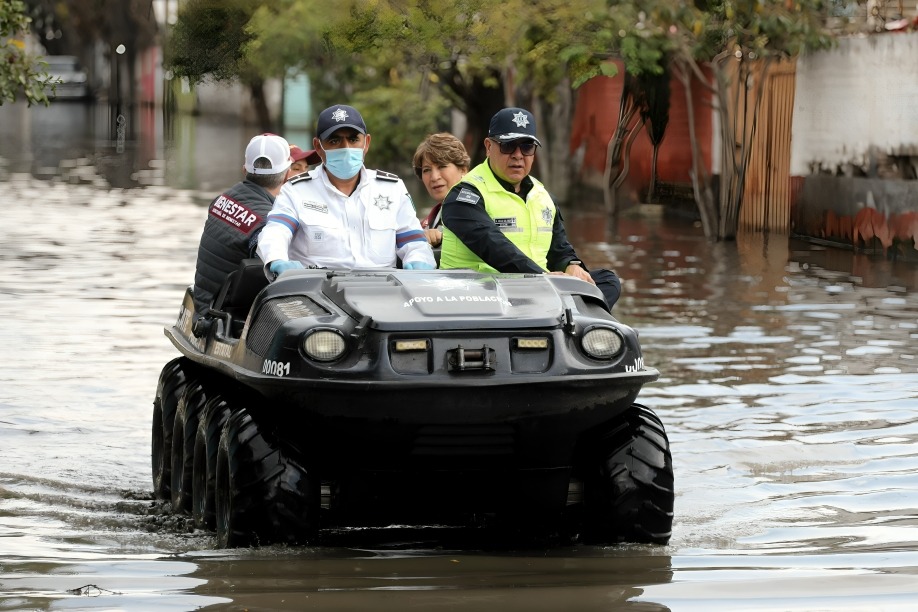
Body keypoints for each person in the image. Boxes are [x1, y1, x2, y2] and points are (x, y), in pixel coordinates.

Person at [439, 107, 622, 307]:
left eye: (527, 147)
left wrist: (571, 266)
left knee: (607, 280)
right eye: (508, 146)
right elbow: (496, 249)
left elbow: (559, 250)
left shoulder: (543, 196)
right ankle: (567, 311)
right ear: (489, 147)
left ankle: (569, 318)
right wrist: (543, 279)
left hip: (536, 289)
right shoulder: (464, 197)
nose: (518, 155)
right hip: (477, 294)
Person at [258, 104, 436, 276]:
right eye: (334, 141)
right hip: (317, 295)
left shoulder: (392, 188)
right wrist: (277, 259)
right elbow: (276, 232)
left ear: (366, 143)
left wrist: (420, 261)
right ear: (319, 147)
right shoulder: (296, 190)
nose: (346, 148)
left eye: (353, 139)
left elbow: (413, 242)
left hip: (383, 292)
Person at [192, 133, 292, 322]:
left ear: (245, 170)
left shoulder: (222, 199)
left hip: (206, 308)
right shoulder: (268, 222)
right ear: (287, 174)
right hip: (225, 317)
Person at [412, 133, 471, 247]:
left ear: (463, 170)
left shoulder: (478, 209)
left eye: (442, 166)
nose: (434, 177)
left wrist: (442, 238)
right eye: (426, 170)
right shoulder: (427, 221)